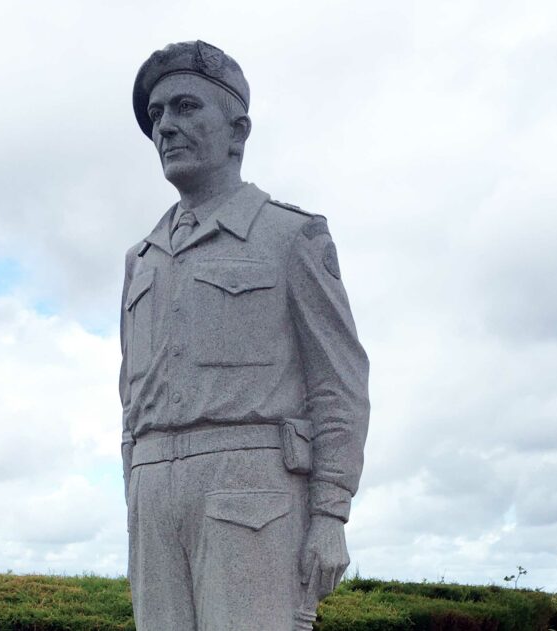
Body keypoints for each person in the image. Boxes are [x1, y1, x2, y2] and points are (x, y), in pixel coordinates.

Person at [119, 40, 370, 631]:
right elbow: (129, 395)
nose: (165, 127)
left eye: (185, 107)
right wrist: (136, 486)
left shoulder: (290, 236)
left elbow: (338, 383)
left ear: (238, 131)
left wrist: (330, 512)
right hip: (152, 496)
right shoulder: (141, 259)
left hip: (253, 493)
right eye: (156, 114)